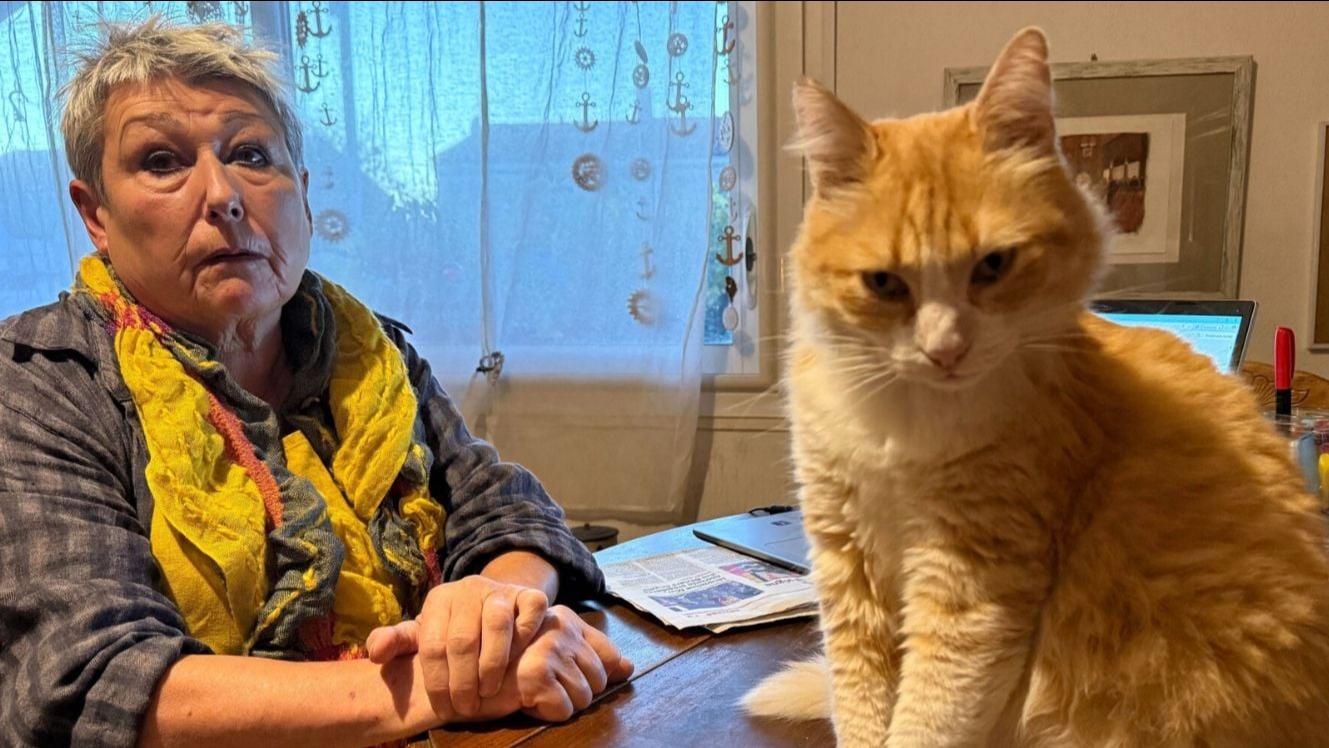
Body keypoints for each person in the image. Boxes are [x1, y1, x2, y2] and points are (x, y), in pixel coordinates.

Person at [0, 16, 631, 748]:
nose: (222, 195)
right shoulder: (39, 382)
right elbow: (87, 681)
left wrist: (495, 610)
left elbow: (505, 509)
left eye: (251, 155)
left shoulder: (369, 352)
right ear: (96, 215)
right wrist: (442, 684)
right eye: (162, 161)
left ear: (301, 195)